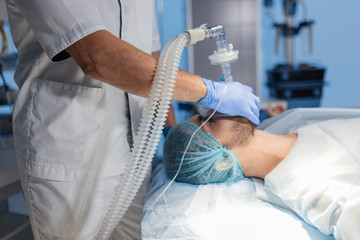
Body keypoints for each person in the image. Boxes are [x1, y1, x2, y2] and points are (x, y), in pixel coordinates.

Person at [4, 1, 261, 240]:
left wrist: (173, 131)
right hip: (71, 157)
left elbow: (156, 58)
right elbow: (97, 57)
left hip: (137, 155)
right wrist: (208, 91)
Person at [163, 109, 360, 240]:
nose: (216, 109)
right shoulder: (305, 187)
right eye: (211, 122)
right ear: (221, 160)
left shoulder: (284, 122)